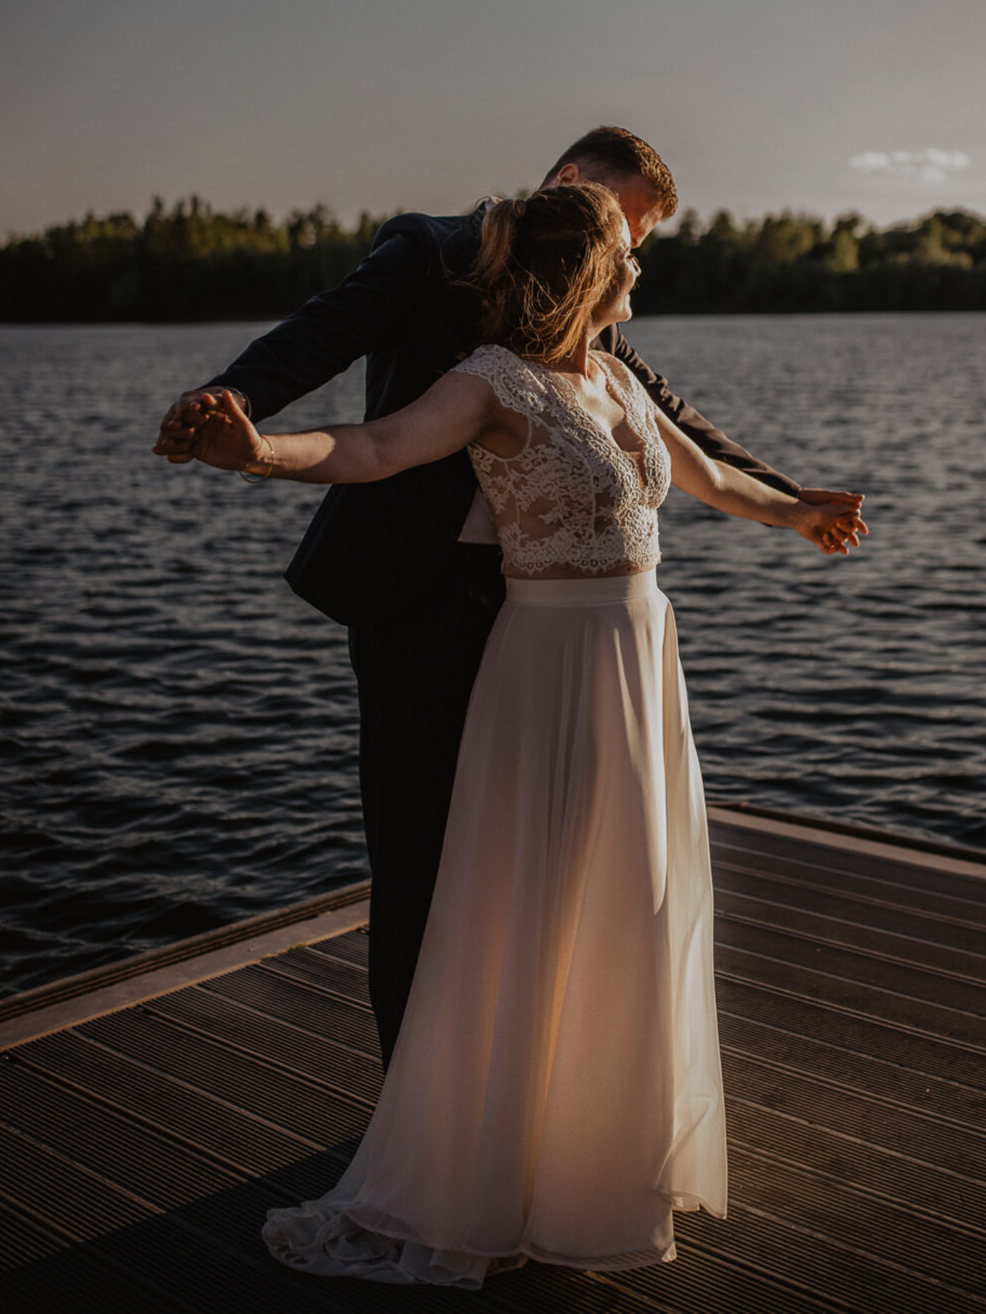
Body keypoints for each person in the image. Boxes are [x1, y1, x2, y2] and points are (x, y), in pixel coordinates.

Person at [176, 183, 864, 1287]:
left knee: (632, 901)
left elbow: (703, 475)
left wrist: (796, 509)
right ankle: (486, 1171)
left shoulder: (618, 378)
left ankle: (594, 1161)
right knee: (530, 906)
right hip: (545, 670)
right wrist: (258, 452)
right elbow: (373, 447)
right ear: (588, 273)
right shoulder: (491, 381)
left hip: (640, 667)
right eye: (627, 255)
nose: (640, 268)